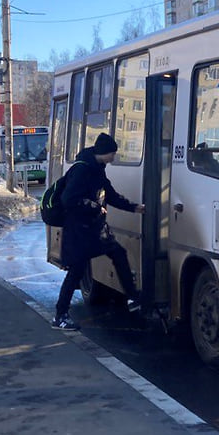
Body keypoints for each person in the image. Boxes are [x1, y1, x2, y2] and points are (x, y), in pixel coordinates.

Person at [52, 133, 146, 331]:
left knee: (118, 253)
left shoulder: (98, 170)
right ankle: (60, 316)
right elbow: (68, 199)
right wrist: (94, 207)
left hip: (96, 230)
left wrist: (134, 207)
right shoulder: (82, 170)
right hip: (79, 232)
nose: (113, 157)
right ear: (103, 152)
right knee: (75, 273)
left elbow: (110, 195)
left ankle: (132, 297)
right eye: (112, 153)